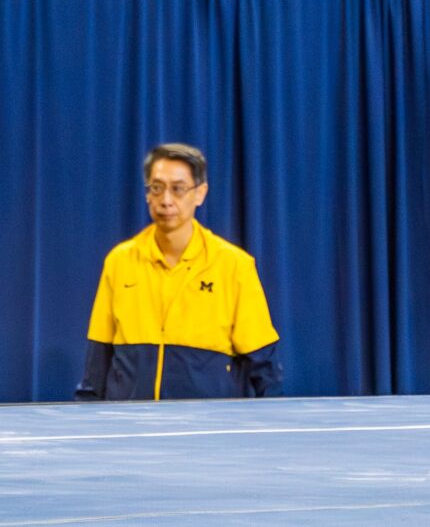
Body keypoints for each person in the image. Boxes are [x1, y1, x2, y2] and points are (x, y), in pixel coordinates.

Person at [76, 143, 281, 402]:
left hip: (207, 430)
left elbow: (264, 368)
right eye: (157, 188)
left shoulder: (234, 265)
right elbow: (98, 361)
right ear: (147, 194)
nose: (166, 200)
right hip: (129, 428)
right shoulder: (120, 261)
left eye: (178, 189)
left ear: (200, 193)